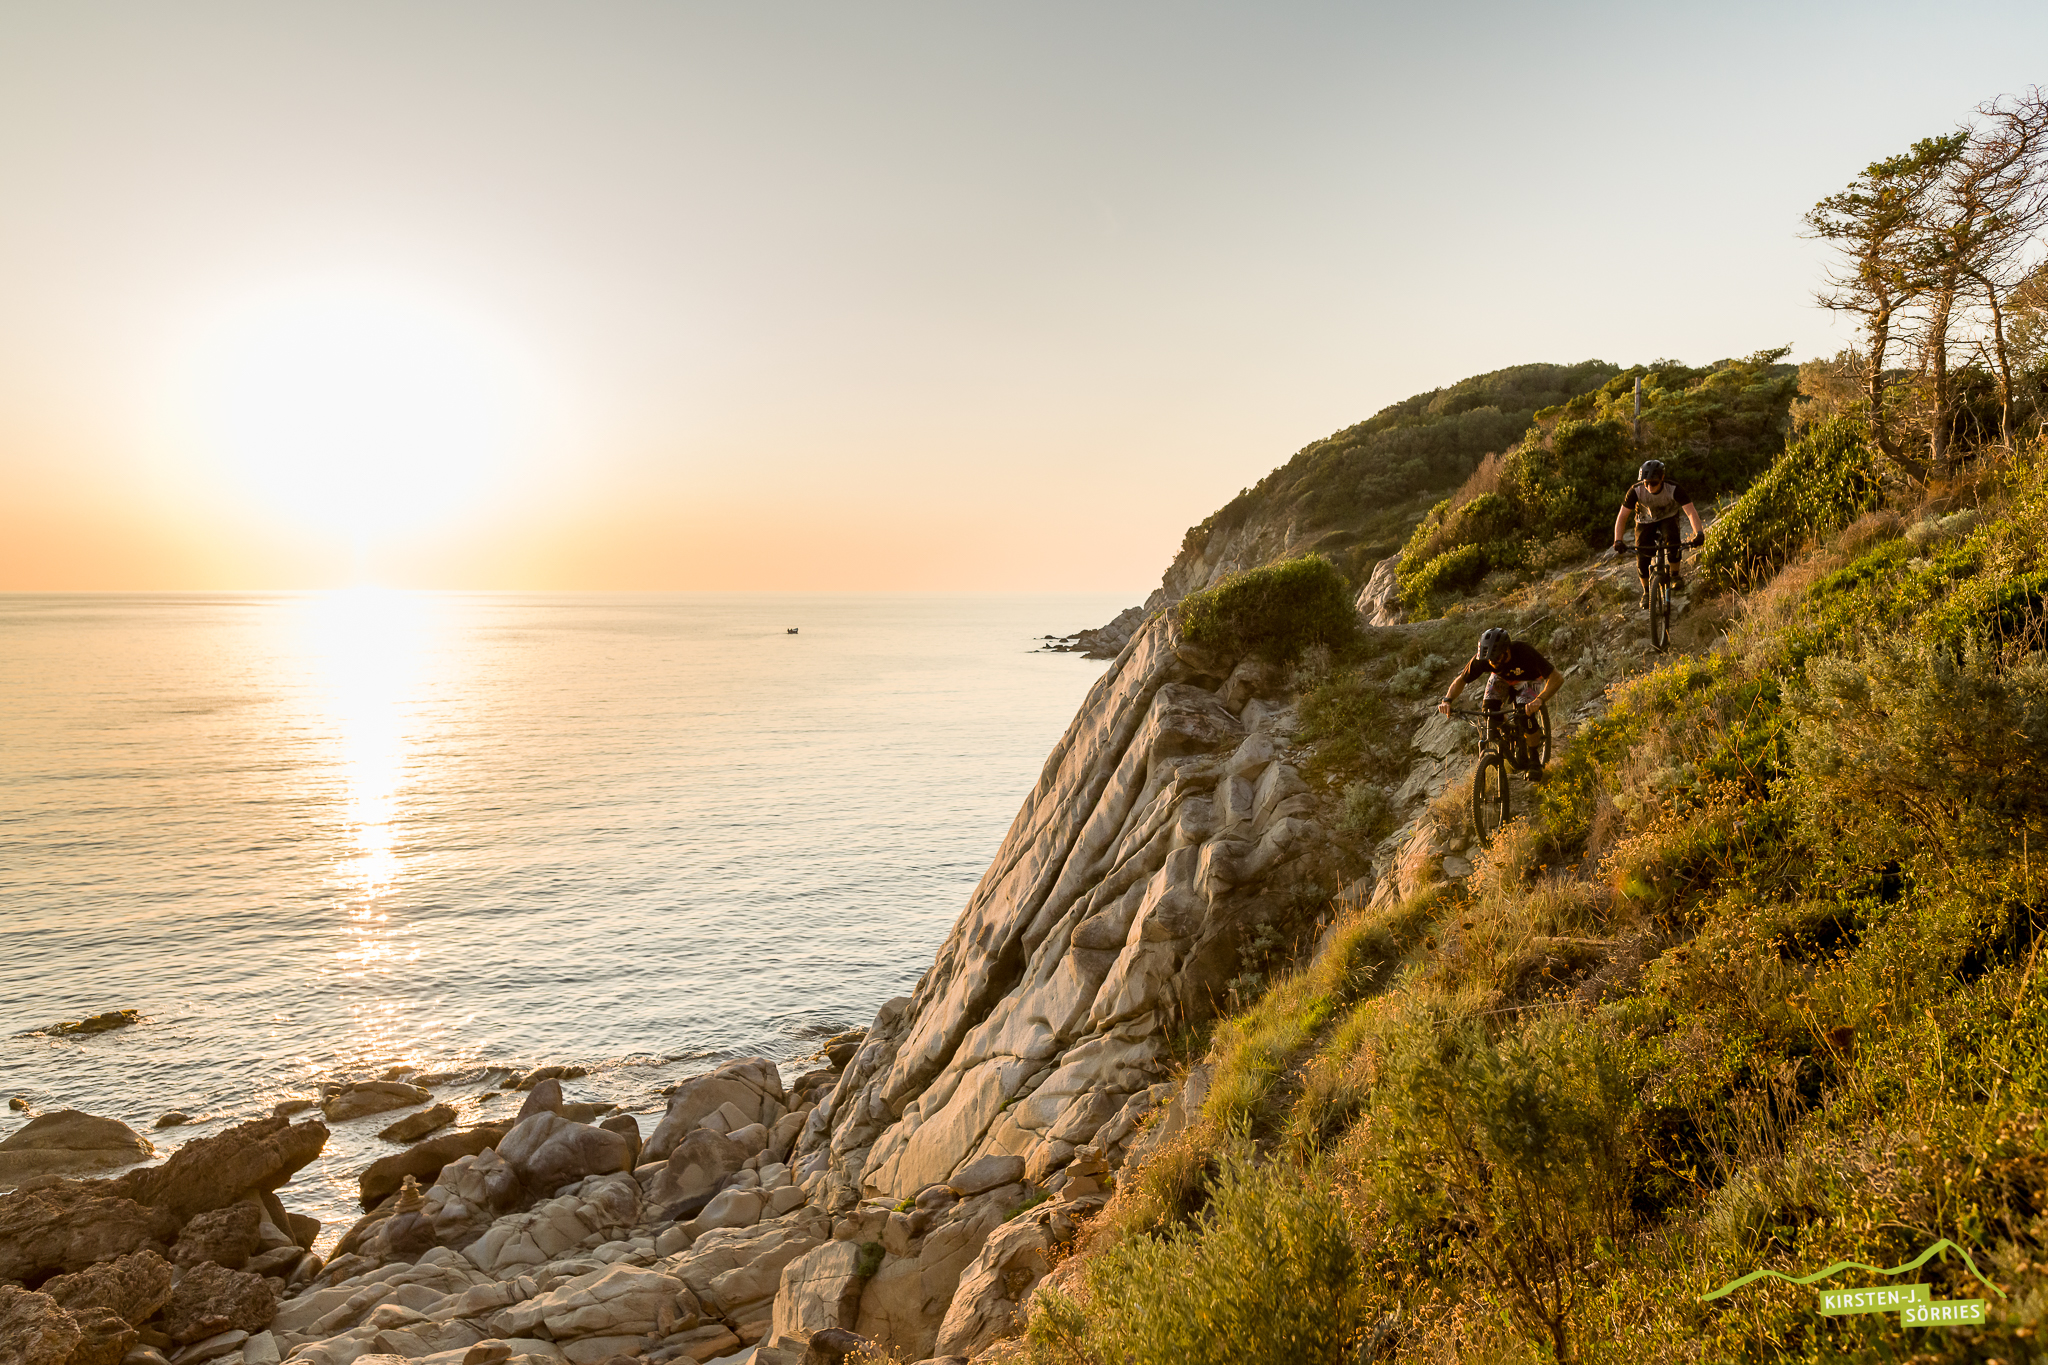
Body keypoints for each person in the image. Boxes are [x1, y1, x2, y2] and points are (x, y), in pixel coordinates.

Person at [1438, 628, 1561, 771]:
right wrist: (1447, 700)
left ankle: (1533, 756)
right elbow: (1461, 680)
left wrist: (1539, 700)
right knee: (1489, 713)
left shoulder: (1525, 652)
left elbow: (1556, 678)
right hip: (1501, 679)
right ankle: (1507, 728)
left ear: (1507, 651)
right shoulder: (1485, 659)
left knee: (1524, 715)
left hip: (1528, 679)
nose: (1492, 662)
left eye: (1495, 658)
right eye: (1489, 659)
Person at [1611, 459, 1705, 607]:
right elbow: (1622, 516)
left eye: (1653, 483)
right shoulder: (1635, 490)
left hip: (1668, 516)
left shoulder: (1674, 489)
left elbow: (1691, 512)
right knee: (1642, 555)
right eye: (1646, 483)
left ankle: (1675, 576)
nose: (1649, 486)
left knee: (1673, 541)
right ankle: (1647, 592)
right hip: (1644, 520)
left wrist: (1698, 533)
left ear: (1662, 478)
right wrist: (1618, 540)